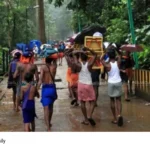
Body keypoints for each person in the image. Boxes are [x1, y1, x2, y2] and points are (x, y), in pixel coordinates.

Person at [73, 48, 97, 126]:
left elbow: (73, 53)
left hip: (81, 84)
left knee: (82, 102)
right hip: (89, 84)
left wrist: (79, 52)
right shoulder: (89, 64)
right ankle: (89, 115)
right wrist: (89, 49)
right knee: (93, 101)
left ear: (80, 57)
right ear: (87, 57)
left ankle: (86, 119)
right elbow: (95, 54)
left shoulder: (78, 64)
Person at [101, 46, 123, 126]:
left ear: (109, 55)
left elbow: (101, 59)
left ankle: (114, 118)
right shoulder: (118, 63)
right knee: (119, 100)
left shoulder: (107, 65)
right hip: (118, 82)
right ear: (114, 55)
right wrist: (116, 49)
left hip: (111, 83)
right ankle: (119, 115)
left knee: (112, 100)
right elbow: (120, 54)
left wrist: (105, 51)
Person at [38, 57, 57, 131]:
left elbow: (40, 79)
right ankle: (49, 122)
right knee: (51, 107)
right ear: (52, 61)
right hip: (52, 88)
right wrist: (54, 59)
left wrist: (36, 89)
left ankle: (48, 127)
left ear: (45, 60)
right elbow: (55, 62)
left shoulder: (43, 67)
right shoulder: (54, 67)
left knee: (46, 108)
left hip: (45, 88)